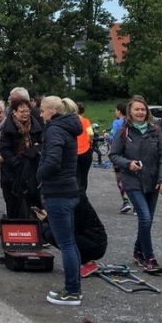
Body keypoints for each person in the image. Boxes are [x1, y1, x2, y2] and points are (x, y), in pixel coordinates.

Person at [109, 95, 162, 275]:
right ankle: (150, 258)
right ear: (130, 112)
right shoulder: (124, 131)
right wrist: (128, 164)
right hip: (132, 181)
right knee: (144, 217)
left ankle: (138, 251)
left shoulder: (155, 131)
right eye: (137, 109)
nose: (140, 112)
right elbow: (114, 155)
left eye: (143, 109)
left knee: (147, 220)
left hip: (153, 181)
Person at [37, 95, 83, 305]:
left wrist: (39, 175)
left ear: (53, 111)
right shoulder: (69, 127)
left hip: (58, 191)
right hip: (70, 190)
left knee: (65, 243)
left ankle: (72, 291)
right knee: (70, 243)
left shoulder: (54, 129)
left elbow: (53, 160)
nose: (40, 113)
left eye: (43, 110)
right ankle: (73, 287)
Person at [37, 193, 107, 278]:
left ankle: (87, 262)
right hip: (86, 238)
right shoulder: (68, 196)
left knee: (52, 234)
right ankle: (80, 262)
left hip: (95, 244)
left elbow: (70, 228)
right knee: (47, 231)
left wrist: (48, 219)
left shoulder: (75, 200)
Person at [0, 92, 43, 219]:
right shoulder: (8, 127)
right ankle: (14, 229)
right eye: (22, 111)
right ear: (14, 112)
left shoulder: (35, 124)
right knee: (13, 201)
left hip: (31, 167)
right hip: (12, 170)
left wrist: (34, 151)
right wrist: (16, 163)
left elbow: (41, 142)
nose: (25, 114)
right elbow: (4, 149)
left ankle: (35, 228)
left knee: (33, 199)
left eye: (27, 111)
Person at [108, 102, 133, 214]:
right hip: (131, 154)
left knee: (120, 178)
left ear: (119, 111)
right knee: (133, 178)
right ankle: (137, 205)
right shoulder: (131, 122)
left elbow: (114, 139)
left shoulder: (117, 123)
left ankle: (126, 201)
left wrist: (107, 136)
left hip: (119, 155)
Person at [75, 102, 93, 193]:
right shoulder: (86, 121)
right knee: (84, 176)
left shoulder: (72, 121)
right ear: (83, 111)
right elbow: (91, 133)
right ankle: (83, 195)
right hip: (85, 150)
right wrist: (90, 140)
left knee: (75, 175)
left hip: (74, 151)